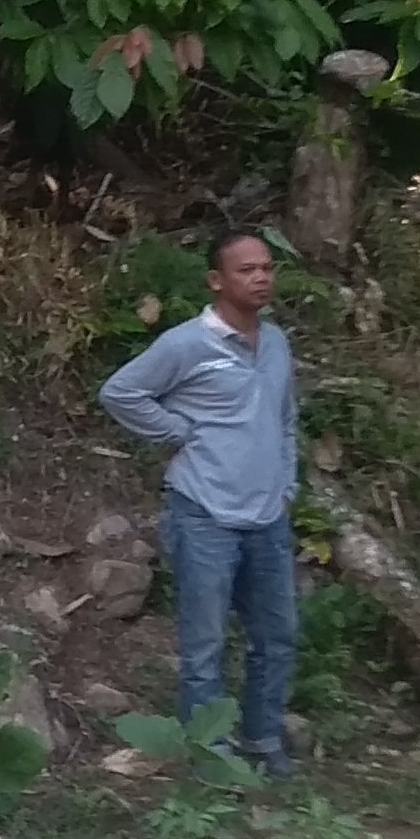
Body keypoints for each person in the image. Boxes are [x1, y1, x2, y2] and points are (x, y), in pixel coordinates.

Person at [99, 227, 302, 772]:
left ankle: (262, 743)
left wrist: (287, 485)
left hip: (267, 517)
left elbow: (285, 420)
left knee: (277, 637)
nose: (261, 277)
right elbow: (121, 392)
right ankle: (208, 755)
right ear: (216, 281)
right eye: (246, 270)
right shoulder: (187, 344)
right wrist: (176, 429)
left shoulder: (277, 342)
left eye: (266, 267)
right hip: (205, 513)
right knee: (204, 647)